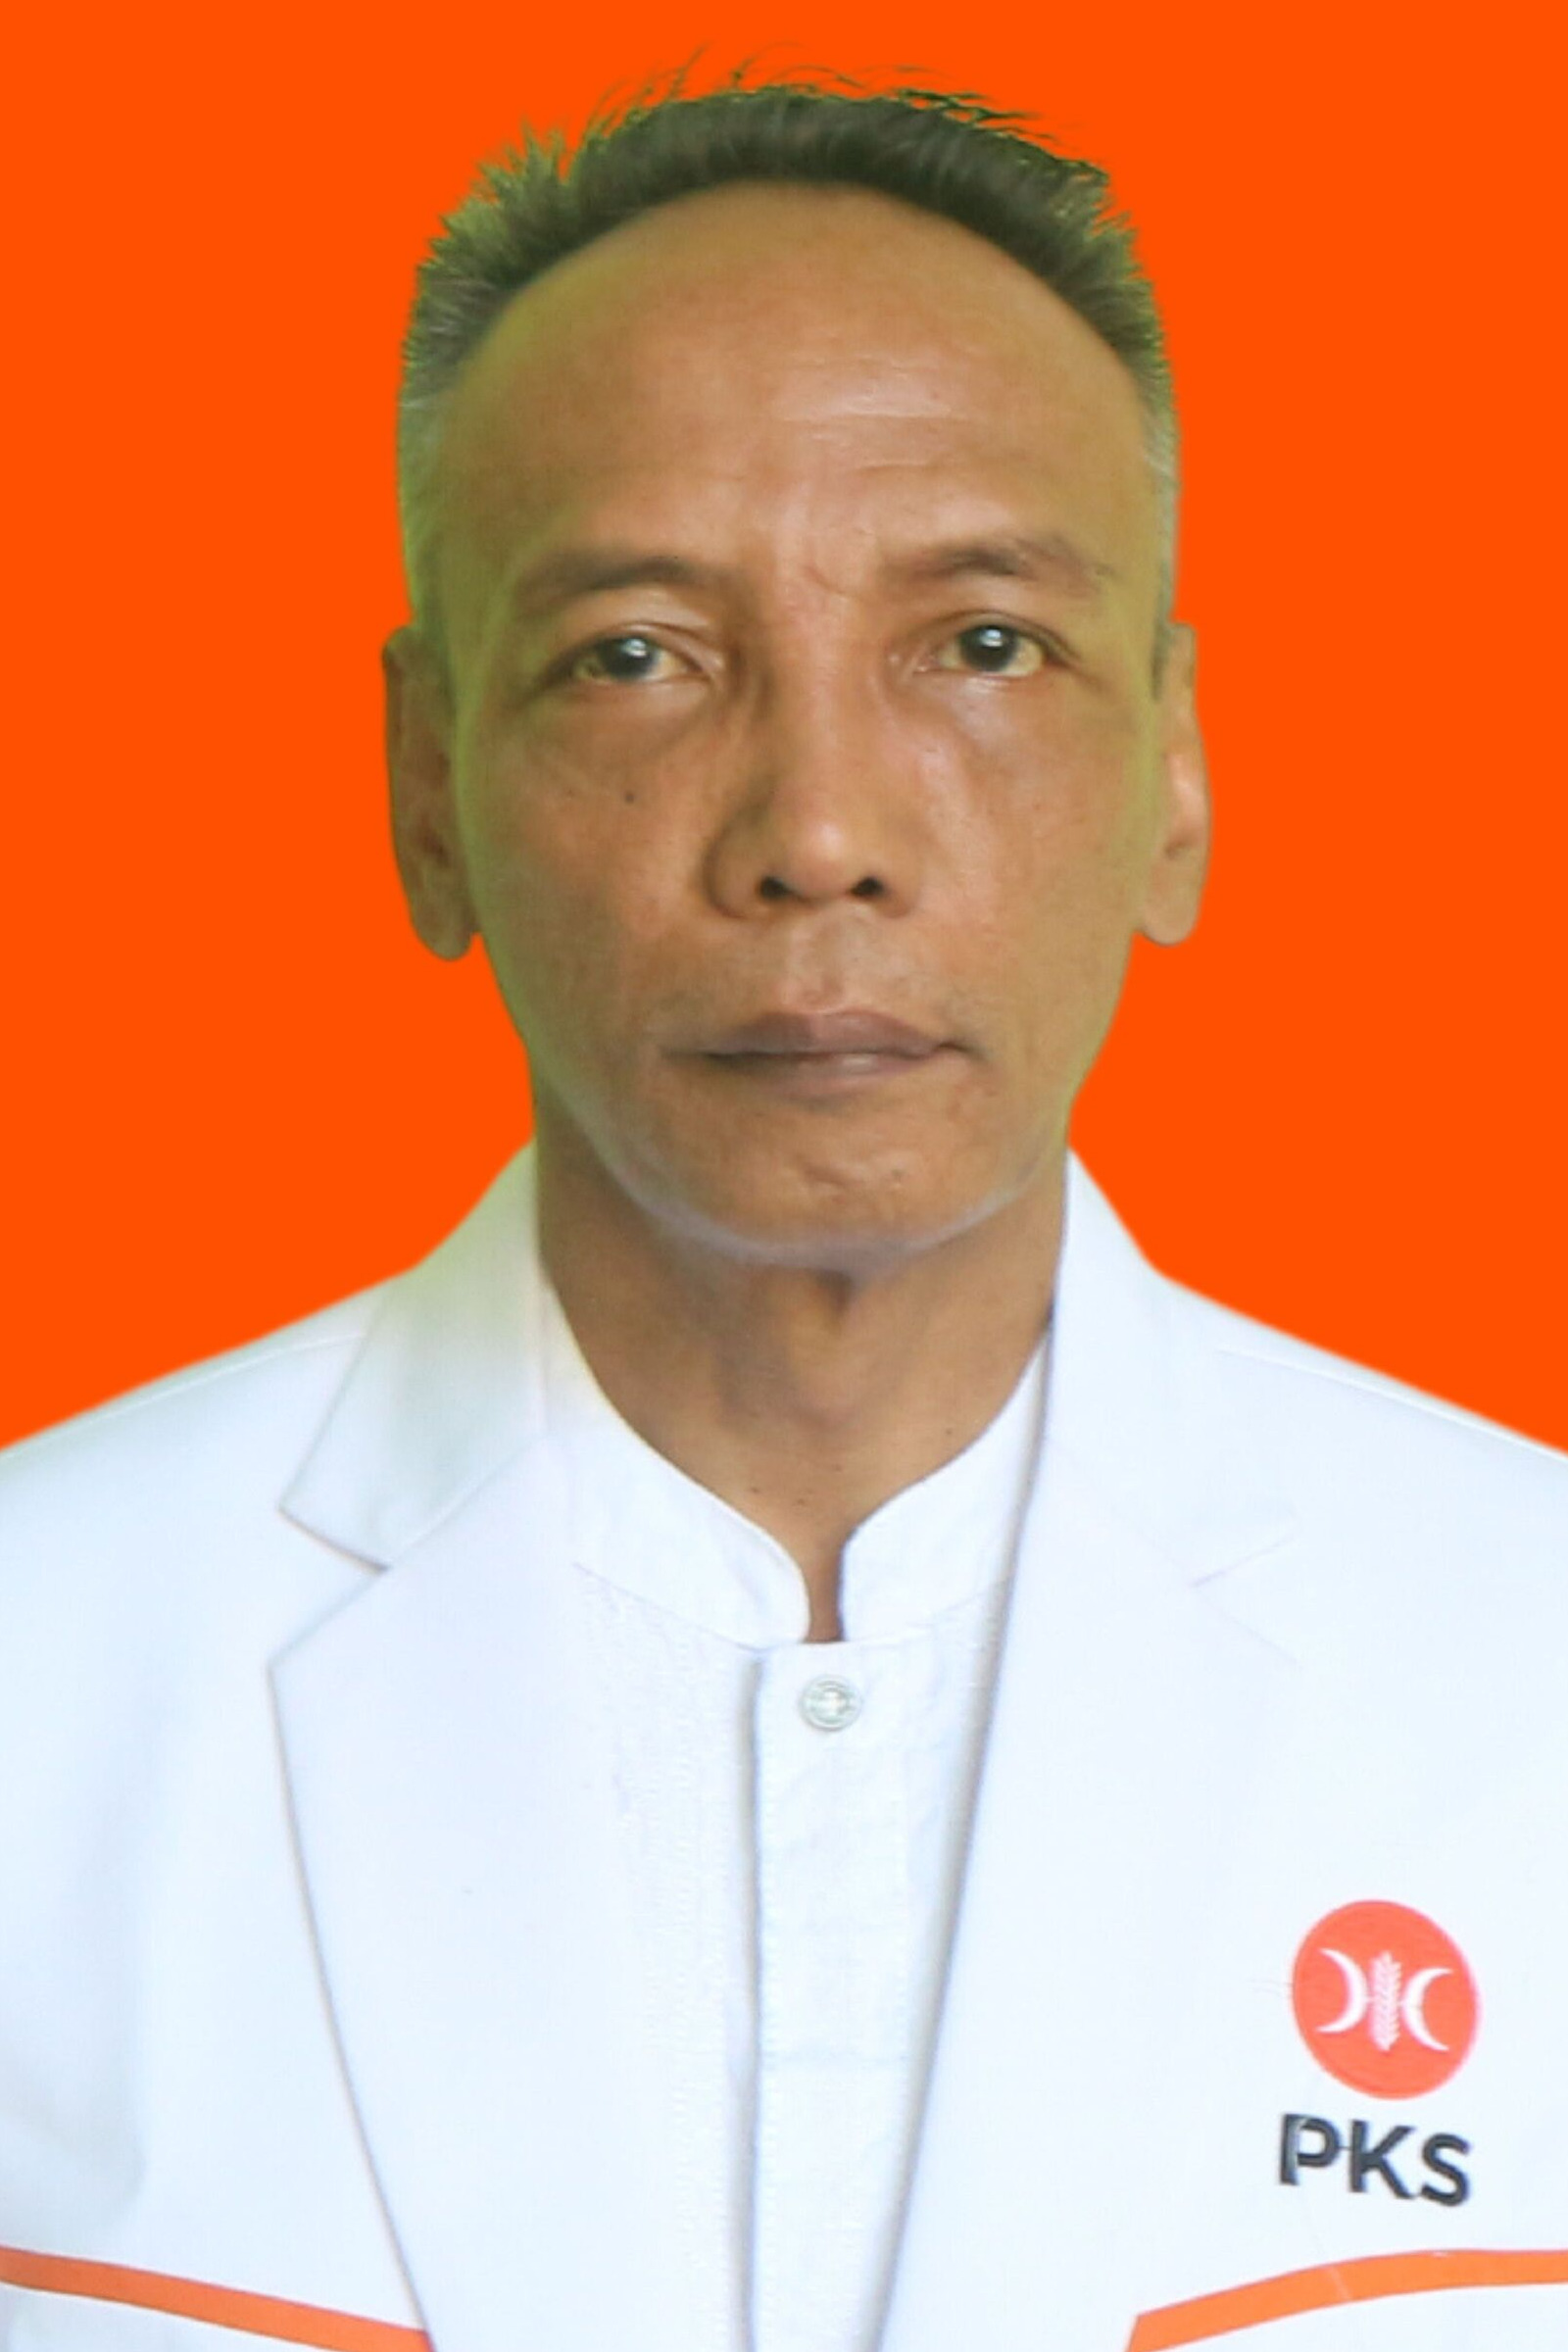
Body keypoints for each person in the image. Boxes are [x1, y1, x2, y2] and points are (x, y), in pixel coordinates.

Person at [0, 76, 1564, 2352]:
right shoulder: (38, 1669)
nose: (816, 831)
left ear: (1174, 767)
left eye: (982, 646)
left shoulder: (1526, 1664)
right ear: (425, 786)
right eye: (635, 654)